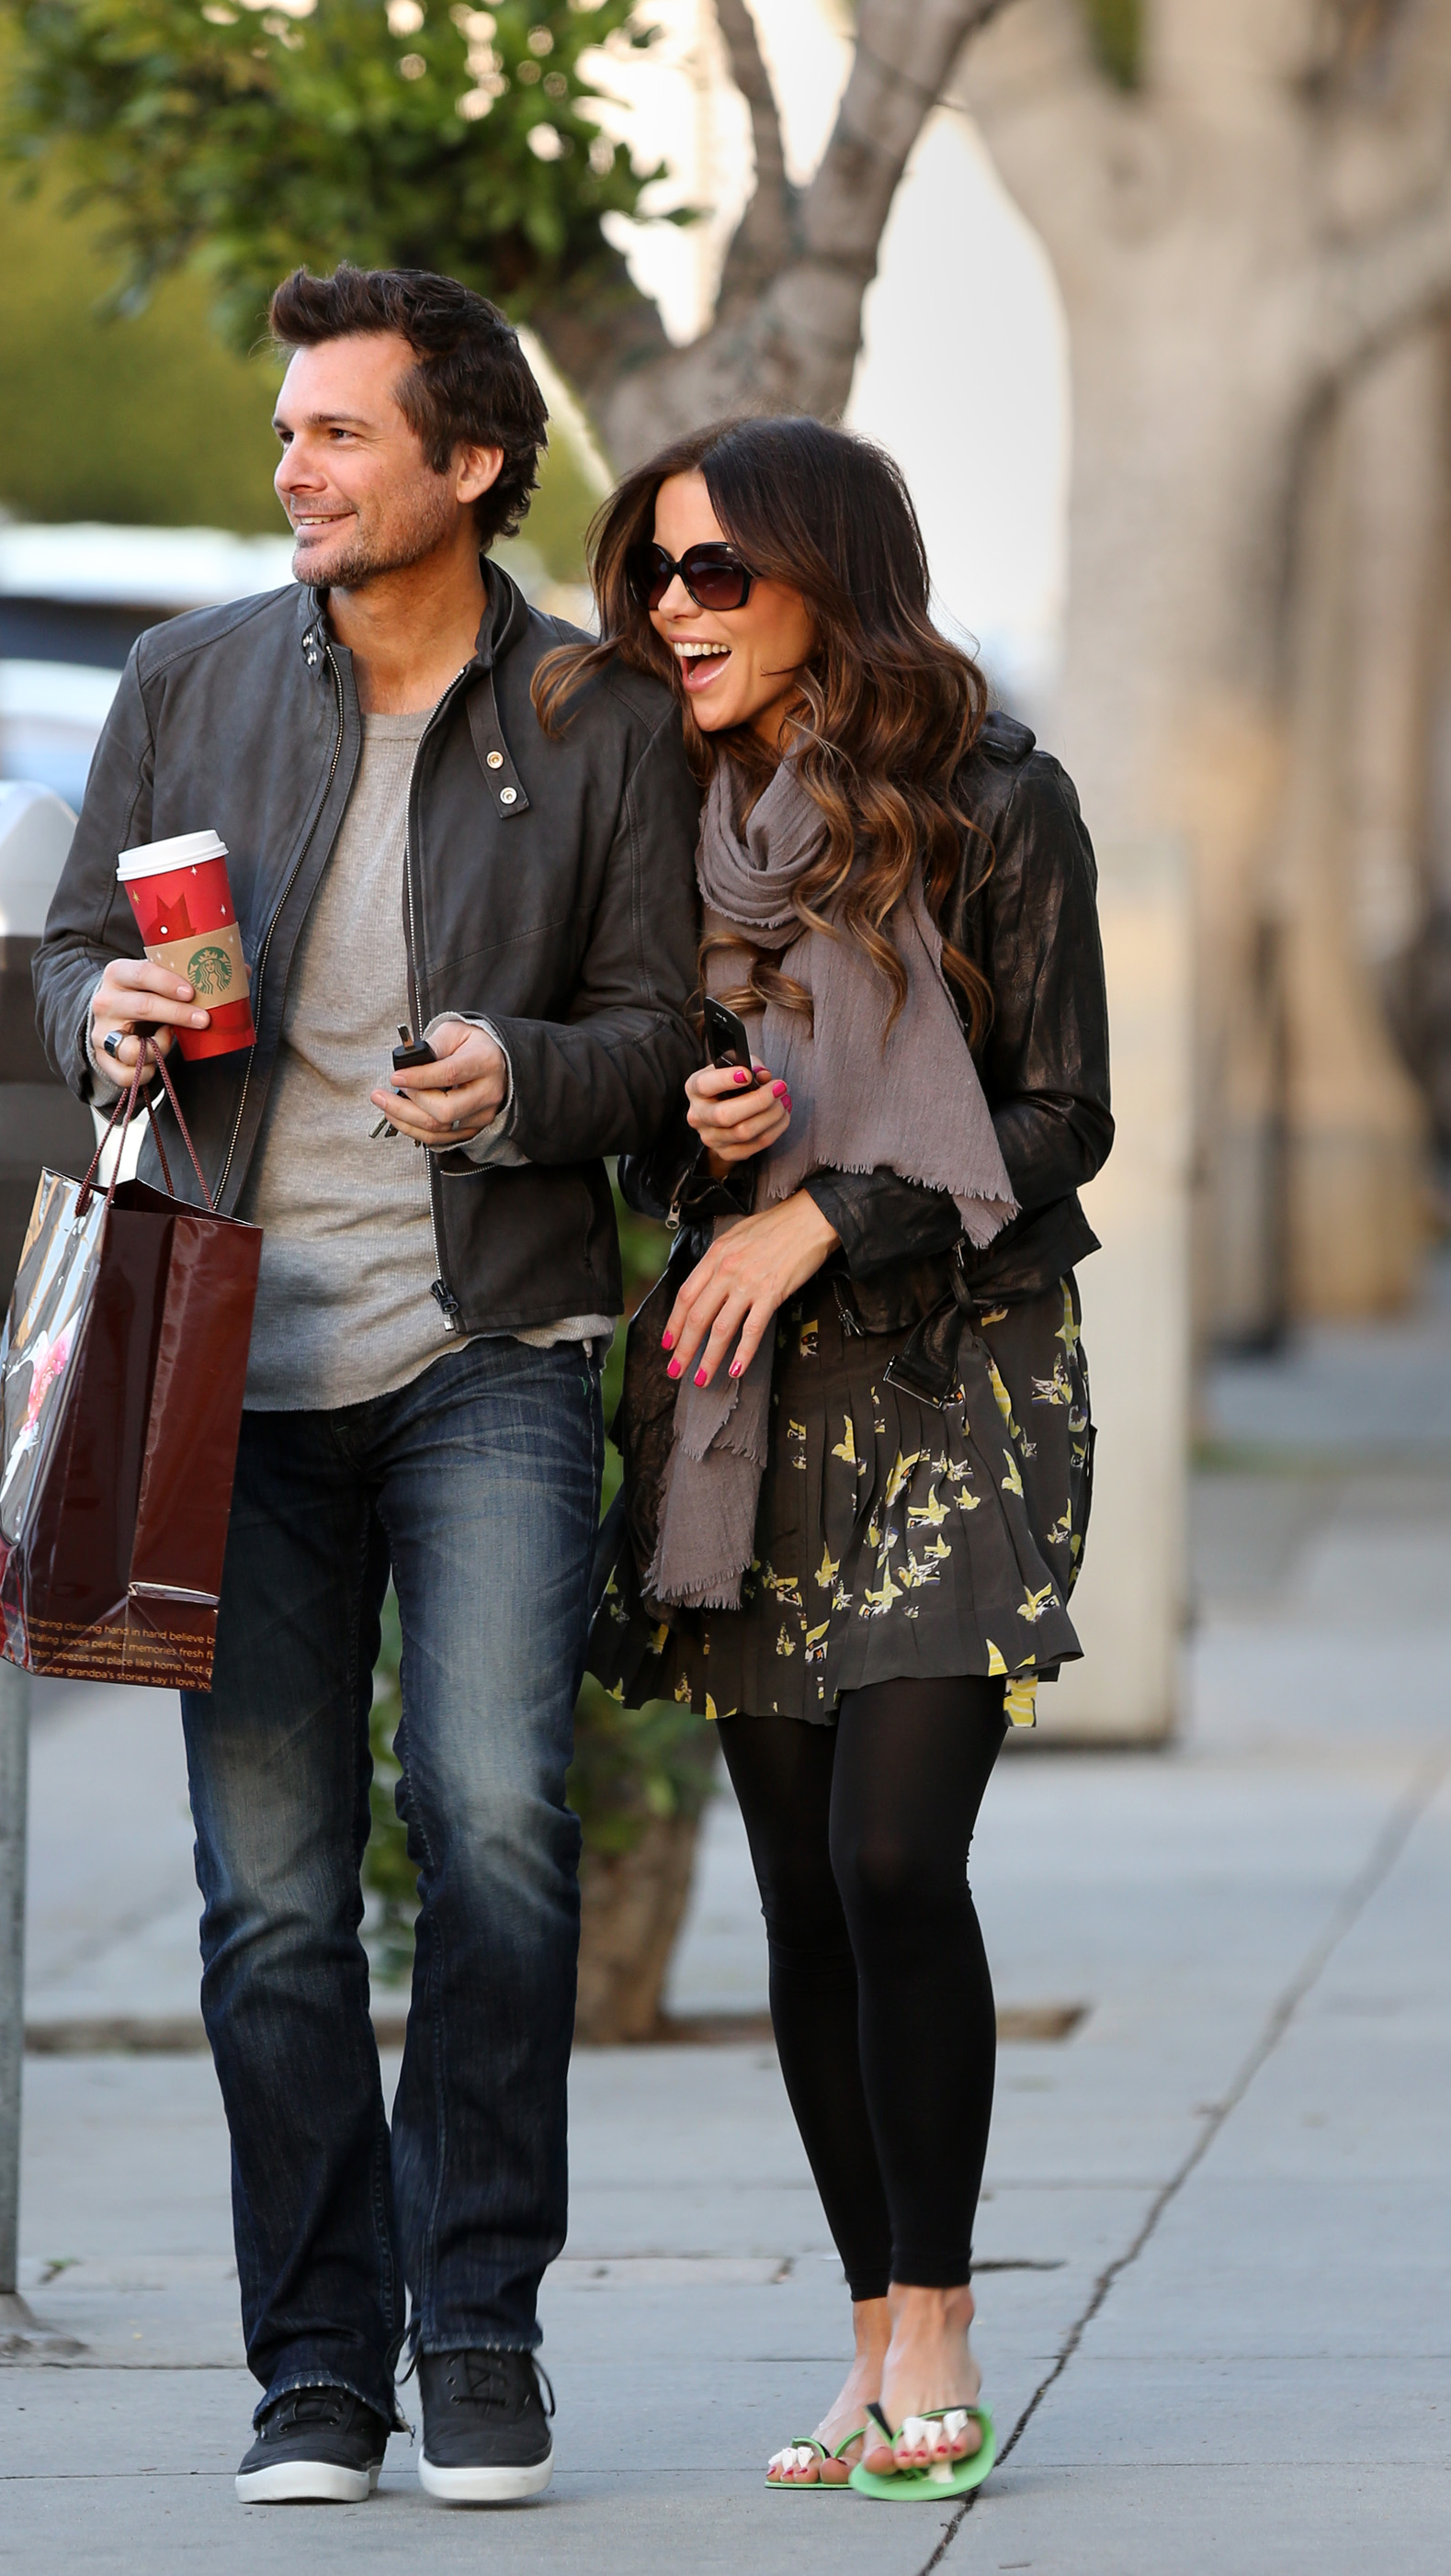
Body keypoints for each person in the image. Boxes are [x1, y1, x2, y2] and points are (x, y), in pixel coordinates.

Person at [35, 266, 700, 2506]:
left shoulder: (599, 714)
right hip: (230, 1353)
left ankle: (477, 2318)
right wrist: (98, 1018)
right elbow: (61, 953)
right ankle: (316, 2358)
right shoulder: (187, 677)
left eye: (337, 434)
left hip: (488, 1338)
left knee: (498, 1821)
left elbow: (667, 1035)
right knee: (270, 1897)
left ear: (470, 466)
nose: (293, 469)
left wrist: (522, 1082)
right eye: (289, 433)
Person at [571, 416, 1112, 2498]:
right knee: (800, 1890)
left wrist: (824, 1209)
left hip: (956, 1373)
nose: (672, 610)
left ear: (824, 575)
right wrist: (687, 1135)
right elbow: (639, 1088)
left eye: (715, 572)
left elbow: (1057, 1113)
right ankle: (868, 2328)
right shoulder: (660, 814)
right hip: (748, 1401)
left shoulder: (989, 802)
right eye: (654, 575)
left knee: (898, 1855)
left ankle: (948, 2312)